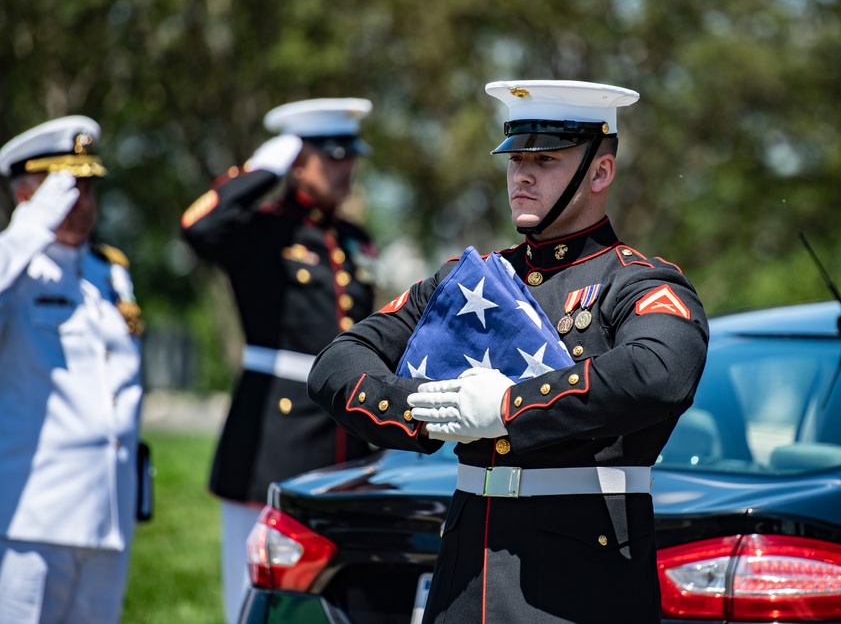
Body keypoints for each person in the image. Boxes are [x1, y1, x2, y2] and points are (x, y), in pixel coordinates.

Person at [308, 80, 710, 623]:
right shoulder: (466, 281)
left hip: (577, 591)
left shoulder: (635, 282)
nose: (521, 175)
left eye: (544, 160)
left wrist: (506, 408)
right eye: (515, 157)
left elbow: (659, 372)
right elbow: (338, 362)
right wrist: (430, 407)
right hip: (463, 580)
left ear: (600, 172)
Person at [180, 98, 380, 623]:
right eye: (330, 155)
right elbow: (199, 228)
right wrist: (263, 168)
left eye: (349, 155)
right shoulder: (262, 231)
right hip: (273, 435)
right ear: (297, 160)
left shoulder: (354, 240)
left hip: (345, 442)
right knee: (259, 597)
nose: (345, 167)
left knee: (337, 600)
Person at [0, 116, 144, 624]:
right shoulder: (15, 271)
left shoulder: (110, 271)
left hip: (108, 514)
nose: (82, 200)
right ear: (26, 194)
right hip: (33, 518)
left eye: (88, 185)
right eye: (66, 187)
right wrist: (27, 231)